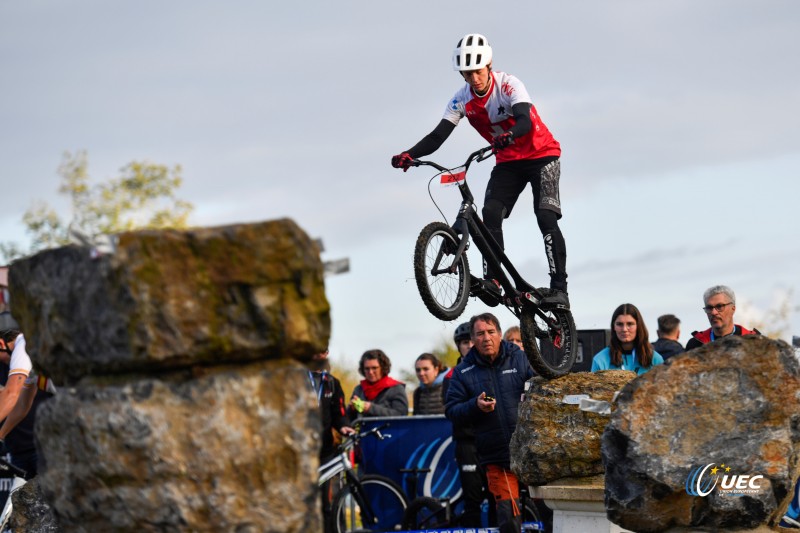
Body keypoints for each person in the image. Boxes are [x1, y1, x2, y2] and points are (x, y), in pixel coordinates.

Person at [391, 33, 569, 309]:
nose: (474, 78)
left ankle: (560, 289)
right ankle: (495, 281)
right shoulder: (461, 100)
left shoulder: (509, 85)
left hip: (542, 155)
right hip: (508, 161)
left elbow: (524, 120)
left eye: (477, 71)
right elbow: (438, 136)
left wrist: (509, 135)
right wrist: (409, 155)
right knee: (489, 214)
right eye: (467, 73)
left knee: (545, 217)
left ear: (488, 66)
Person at [445, 313, 534, 533]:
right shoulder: (463, 371)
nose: (486, 338)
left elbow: (544, 388)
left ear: (500, 334)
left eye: (491, 332)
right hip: (497, 457)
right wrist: (475, 406)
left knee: (548, 512)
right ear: (472, 339)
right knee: (508, 520)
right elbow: (451, 410)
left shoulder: (521, 357)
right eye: (480, 334)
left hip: (532, 451)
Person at [442, 322, 490, 527]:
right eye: (463, 342)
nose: (469, 345)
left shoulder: (489, 368)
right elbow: (453, 410)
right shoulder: (451, 377)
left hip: (490, 441)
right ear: (458, 346)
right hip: (467, 443)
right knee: (472, 499)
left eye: (471, 340)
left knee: (497, 497)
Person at [308, 349, 354, 533]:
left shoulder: (332, 383)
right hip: (300, 452)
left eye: (322, 352)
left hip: (325, 451)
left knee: (327, 502)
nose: (318, 355)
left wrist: (344, 426)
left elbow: (339, 414)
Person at [591, 304, 664, 375]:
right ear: (614, 327)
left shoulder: (655, 359)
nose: (624, 329)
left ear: (638, 326)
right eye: (619, 324)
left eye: (630, 324)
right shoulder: (600, 360)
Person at [686, 285, 760, 350]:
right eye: (709, 308)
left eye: (719, 306)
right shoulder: (695, 345)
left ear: (733, 309)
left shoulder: (753, 342)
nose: (714, 312)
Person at [348, 349, 408, 418]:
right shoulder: (359, 390)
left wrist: (371, 408)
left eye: (374, 368)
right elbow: (349, 419)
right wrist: (351, 409)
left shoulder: (397, 388)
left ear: (383, 368)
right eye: (367, 369)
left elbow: (401, 415)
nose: (370, 372)